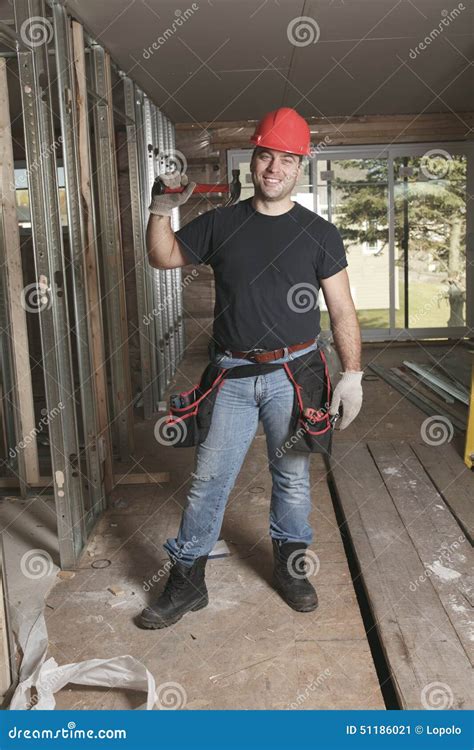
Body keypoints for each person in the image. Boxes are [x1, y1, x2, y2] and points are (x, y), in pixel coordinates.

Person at [137, 107, 362, 630]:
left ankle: (290, 568)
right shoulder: (221, 223)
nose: (275, 168)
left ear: (299, 167)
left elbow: (343, 309)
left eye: (287, 159)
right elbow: (163, 256)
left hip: (294, 376)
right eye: (266, 155)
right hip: (232, 377)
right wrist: (159, 208)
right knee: (208, 482)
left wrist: (352, 373)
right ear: (254, 160)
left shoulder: (319, 234)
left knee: (292, 478)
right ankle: (187, 581)